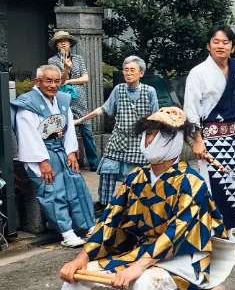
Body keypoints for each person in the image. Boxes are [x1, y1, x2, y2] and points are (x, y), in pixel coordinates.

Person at [48, 108, 231, 290]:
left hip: (186, 258)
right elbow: (110, 220)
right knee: (84, 277)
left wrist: (140, 265)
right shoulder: (136, 178)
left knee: (147, 280)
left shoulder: (192, 183)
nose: (148, 140)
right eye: (147, 133)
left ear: (173, 140)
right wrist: (82, 257)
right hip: (144, 254)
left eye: (156, 134)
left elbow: (178, 233)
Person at [183, 25, 235, 249]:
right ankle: (210, 234)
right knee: (212, 187)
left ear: (233, 47)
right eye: (216, 41)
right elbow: (191, 109)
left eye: (225, 42)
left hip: (231, 137)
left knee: (232, 185)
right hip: (210, 139)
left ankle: (229, 232)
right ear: (208, 45)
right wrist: (197, 140)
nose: (220, 46)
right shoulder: (199, 73)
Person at [12, 64, 95, 247]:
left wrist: (71, 151)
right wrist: (42, 161)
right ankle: (67, 232)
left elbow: (69, 129)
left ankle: (89, 226)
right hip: (42, 153)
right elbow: (28, 135)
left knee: (76, 186)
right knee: (52, 191)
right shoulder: (28, 104)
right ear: (37, 81)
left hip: (62, 149)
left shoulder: (62, 100)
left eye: (57, 81)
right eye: (48, 81)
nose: (53, 85)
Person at [75, 56, 159, 209]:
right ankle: (103, 204)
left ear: (141, 73)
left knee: (134, 177)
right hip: (118, 139)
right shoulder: (119, 89)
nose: (128, 73)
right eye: (126, 70)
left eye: (132, 70)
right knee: (107, 171)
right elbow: (103, 109)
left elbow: (156, 118)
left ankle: (132, 207)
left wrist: (151, 138)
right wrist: (81, 120)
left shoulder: (149, 92)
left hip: (138, 142)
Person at [48, 30, 99, 171]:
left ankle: (94, 162)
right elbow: (60, 81)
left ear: (70, 43)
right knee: (63, 129)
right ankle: (65, 162)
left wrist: (69, 80)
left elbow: (86, 78)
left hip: (79, 97)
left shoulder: (78, 58)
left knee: (86, 129)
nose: (63, 43)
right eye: (60, 41)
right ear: (57, 45)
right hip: (62, 97)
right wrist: (65, 69)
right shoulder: (52, 61)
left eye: (66, 40)